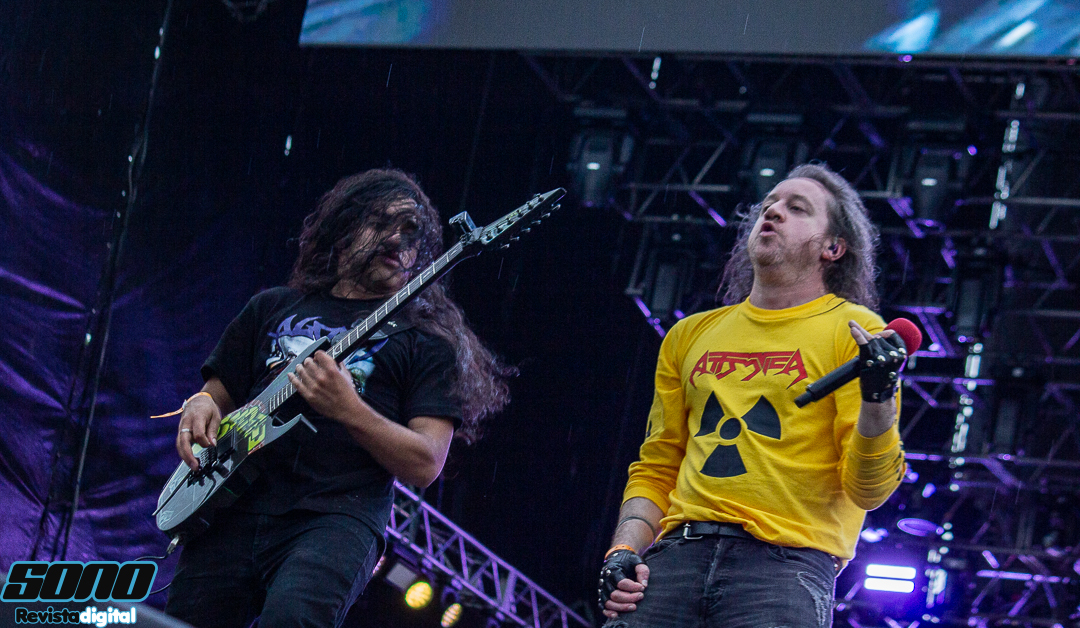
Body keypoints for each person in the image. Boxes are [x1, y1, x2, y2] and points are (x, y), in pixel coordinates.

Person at [165, 169, 513, 628]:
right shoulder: (272, 306)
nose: (396, 239)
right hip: (233, 507)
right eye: (381, 222)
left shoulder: (426, 343)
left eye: (410, 232)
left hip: (335, 519)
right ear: (344, 230)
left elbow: (426, 462)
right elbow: (218, 392)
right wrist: (200, 403)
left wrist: (349, 409)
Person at [598, 164, 908, 628]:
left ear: (833, 247)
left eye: (797, 208)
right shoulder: (689, 335)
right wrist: (623, 549)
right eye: (769, 204)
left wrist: (878, 398)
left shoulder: (855, 332)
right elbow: (658, 465)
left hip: (785, 569)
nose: (773, 212)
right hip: (675, 556)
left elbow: (869, 489)